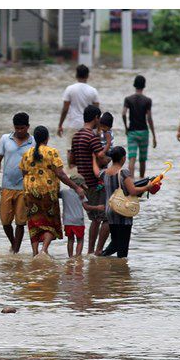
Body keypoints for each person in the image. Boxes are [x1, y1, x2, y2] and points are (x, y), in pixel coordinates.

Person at [19, 126, 85, 257]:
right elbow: (61, 174)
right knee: (50, 223)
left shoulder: (27, 154)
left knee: (34, 222)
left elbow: (23, 173)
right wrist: (76, 187)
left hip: (30, 192)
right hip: (48, 192)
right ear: (47, 138)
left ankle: (35, 253)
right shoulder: (52, 152)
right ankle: (44, 250)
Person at [99, 146, 155, 258]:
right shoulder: (124, 172)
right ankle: (114, 265)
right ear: (123, 158)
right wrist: (147, 187)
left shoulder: (104, 173)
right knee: (122, 249)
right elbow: (132, 191)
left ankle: (100, 259)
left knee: (115, 242)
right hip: (122, 211)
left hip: (110, 210)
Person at [70, 105, 110, 255]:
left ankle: (91, 251)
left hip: (83, 183)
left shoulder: (76, 136)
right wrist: (111, 157)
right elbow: (101, 158)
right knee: (106, 218)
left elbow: (71, 160)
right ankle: (97, 251)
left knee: (95, 219)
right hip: (95, 183)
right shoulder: (92, 137)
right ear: (96, 118)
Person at [0, 112, 35, 253]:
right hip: (7, 186)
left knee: (20, 222)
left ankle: (15, 251)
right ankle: (14, 244)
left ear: (28, 127)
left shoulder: (33, 142)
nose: (19, 131)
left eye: (22, 128)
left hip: (25, 187)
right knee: (5, 221)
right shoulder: (5, 139)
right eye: (17, 128)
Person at [58, 64, 99, 159]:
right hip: (89, 126)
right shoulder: (93, 91)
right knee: (89, 151)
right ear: (87, 75)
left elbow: (65, 109)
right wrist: (97, 128)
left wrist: (60, 125)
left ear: (76, 75)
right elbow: (97, 111)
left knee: (70, 150)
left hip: (74, 124)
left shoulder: (70, 89)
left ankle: (71, 168)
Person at [60, 174, 104, 257]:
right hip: (78, 221)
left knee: (70, 239)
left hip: (67, 221)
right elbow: (86, 207)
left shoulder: (64, 192)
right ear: (80, 185)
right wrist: (98, 207)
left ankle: (70, 257)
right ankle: (78, 256)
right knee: (80, 239)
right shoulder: (81, 194)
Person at [122, 75, 157, 178]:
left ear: (134, 85)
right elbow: (149, 118)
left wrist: (126, 128)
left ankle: (131, 181)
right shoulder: (147, 100)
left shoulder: (128, 99)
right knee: (142, 159)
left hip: (132, 132)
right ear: (144, 86)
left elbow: (123, 114)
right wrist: (154, 136)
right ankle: (142, 180)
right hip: (144, 132)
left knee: (132, 158)